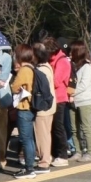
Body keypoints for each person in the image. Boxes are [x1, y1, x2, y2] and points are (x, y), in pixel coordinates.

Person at [9, 45, 39, 179]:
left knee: (26, 139)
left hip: (24, 107)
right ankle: (30, 165)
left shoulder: (23, 71)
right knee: (30, 139)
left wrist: (15, 85)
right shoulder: (32, 68)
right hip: (32, 107)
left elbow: (14, 87)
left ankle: (29, 168)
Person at [67, 41, 91, 161]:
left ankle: (90, 152)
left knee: (86, 127)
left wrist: (71, 93)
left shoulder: (87, 67)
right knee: (74, 128)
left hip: (84, 101)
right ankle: (77, 151)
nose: (70, 53)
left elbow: (84, 85)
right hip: (73, 100)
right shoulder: (74, 66)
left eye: (72, 51)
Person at [32, 42, 56, 172]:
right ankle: (47, 157)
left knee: (42, 135)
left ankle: (44, 162)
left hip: (42, 107)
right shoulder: (47, 66)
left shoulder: (40, 70)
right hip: (50, 105)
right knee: (46, 134)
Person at [48, 38, 72, 164]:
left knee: (58, 127)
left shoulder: (62, 61)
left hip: (60, 98)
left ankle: (63, 155)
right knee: (52, 127)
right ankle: (54, 153)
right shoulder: (52, 59)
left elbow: (56, 81)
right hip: (52, 98)